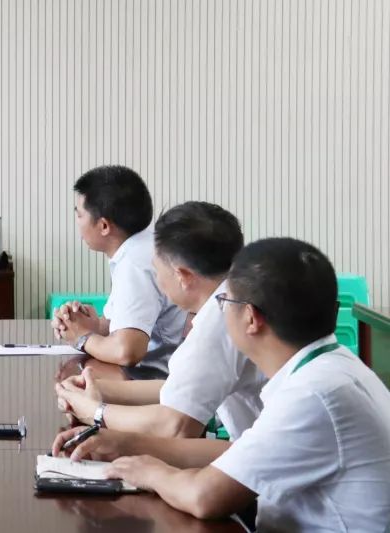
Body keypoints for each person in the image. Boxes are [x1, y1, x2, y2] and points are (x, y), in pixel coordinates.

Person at [52, 238, 390, 531]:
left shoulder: (311, 395)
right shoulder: (333, 369)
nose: (216, 315)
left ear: (251, 318)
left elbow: (204, 496)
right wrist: (127, 443)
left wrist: (150, 472)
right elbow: (238, 453)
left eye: (224, 303)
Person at [56, 202, 265, 439]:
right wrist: (100, 389)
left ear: (183, 276)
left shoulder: (219, 323)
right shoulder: (239, 294)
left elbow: (176, 426)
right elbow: (182, 388)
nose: (156, 280)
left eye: (157, 270)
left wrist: (94, 412)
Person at [52, 165, 186, 378]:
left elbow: (127, 351)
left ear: (104, 226)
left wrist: (82, 337)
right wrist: (86, 324)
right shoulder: (141, 247)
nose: (77, 223)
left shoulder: (135, 262)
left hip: (159, 384)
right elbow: (122, 327)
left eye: (79, 215)